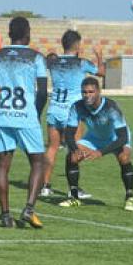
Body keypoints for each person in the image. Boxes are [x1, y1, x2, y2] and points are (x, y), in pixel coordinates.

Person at [0, 16, 48, 229]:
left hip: (4, 117)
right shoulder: (36, 57)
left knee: (2, 166)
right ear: (27, 33)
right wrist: (35, 114)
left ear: (9, 33)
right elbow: (42, 93)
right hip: (27, 116)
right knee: (38, 162)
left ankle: (5, 216)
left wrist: (2, 108)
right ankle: (29, 209)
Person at [58, 77, 133, 211]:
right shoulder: (77, 106)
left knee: (124, 157)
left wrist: (100, 152)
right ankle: (74, 197)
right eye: (84, 92)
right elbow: (69, 134)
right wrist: (75, 149)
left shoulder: (111, 107)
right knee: (72, 156)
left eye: (91, 92)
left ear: (99, 91)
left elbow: (123, 137)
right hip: (94, 138)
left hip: (116, 137)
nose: (87, 95)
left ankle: (129, 198)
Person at [41, 30, 102, 197]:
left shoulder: (53, 62)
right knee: (74, 149)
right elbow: (101, 72)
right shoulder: (81, 63)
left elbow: (46, 61)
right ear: (77, 45)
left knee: (52, 147)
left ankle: (45, 186)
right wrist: (99, 55)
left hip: (54, 109)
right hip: (72, 112)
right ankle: (73, 189)